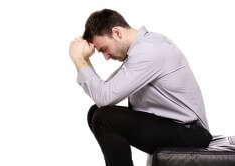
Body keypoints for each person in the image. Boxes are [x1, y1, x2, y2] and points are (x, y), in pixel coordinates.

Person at [68, 8, 212, 166]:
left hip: (191, 132)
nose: (106, 57)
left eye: (104, 49)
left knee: (104, 119)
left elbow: (105, 97)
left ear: (117, 33)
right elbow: (103, 94)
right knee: (95, 113)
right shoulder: (140, 50)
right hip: (174, 125)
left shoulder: (148, 51)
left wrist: (78, 58)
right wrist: (84, 61)